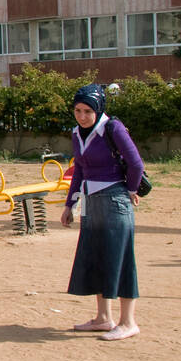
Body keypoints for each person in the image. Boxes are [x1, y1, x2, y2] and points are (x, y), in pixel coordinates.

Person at [61, 83, 144, 341]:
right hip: (90, 201)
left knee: (120, 258)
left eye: (87, 111)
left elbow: (136, 163)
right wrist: (69, 204)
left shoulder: (112, 128)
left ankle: (128, 322)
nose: (82, 116)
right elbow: (80, 171)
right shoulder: (77, 133)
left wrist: (131, 189)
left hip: (114, 199)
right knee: (96, 257)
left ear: (98, 109)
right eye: (77, 110)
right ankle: (103, 318)